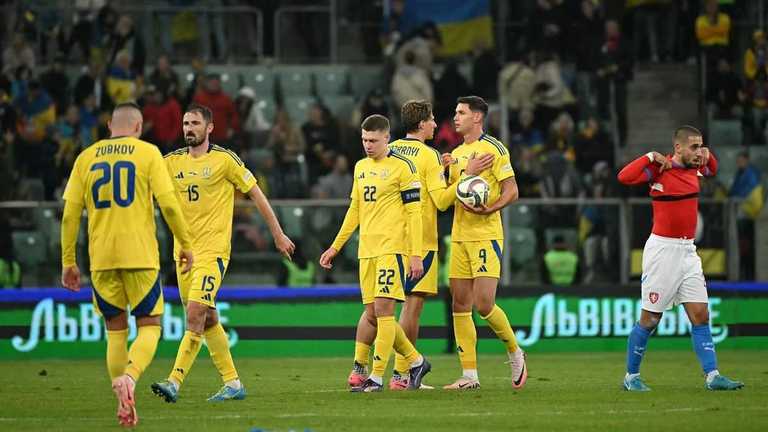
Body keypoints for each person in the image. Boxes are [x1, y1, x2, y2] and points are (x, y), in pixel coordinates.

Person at [60, 103, 194, 427]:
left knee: (115, 332)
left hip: (102, 259)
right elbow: (169, 206)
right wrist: (186, 243)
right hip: (140, 256)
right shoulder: (148, 153)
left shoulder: (85, 158)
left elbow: (69, 215)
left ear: (109, 125)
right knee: (150, 326)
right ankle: (130, 378)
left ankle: (122, 400)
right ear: (138, 127)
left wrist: (68, 261)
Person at [151, 103, 295, 403]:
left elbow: (256, 194)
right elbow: (144, 184)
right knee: (208, 319)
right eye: (186, 123)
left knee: (195, 313)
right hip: (184, 255)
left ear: (210, 128)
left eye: (195, 123)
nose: (189, 128)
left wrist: (278, 234)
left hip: (213, 252)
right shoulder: (170, 162)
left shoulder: (224, 160)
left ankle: (174, 381)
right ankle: (233, 383)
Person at [346, 100, 492, 390]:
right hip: (419, 243)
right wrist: (466, 175)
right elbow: (441, 201)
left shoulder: (390, 149)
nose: (436, 124)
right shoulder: (429, 155)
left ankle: (359, 368)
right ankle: (402, 374)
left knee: (375, 310)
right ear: (422, 123)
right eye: (432, 120)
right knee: (410, 308)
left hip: (385, 240)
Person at [616, 125, 743, 392]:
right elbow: (624, 177)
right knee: (650, 319)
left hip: (688, 251)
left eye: (701, 146)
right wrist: (649, 156)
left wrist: (708, 154)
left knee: (701, 315)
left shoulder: (695, 168)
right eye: (694, 147)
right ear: (678, 147)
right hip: (663, 251)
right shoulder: (659, 169)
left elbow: (713, 169)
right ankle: (631, 376)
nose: (699, 152)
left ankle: (713, 376)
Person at [319, 114, 431, 392]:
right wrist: (335, 246)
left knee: (383, 310)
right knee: (372, 313)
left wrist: (415, 255)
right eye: (364, 140)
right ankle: (416, 361)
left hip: (392, 249)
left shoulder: (403, 167)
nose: (368, 145)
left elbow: (415, 214)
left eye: (373, 140)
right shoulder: (360, 167)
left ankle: (377, 377)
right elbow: (355, 210)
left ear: (387, 138)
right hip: (366, 250)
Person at [441, 96, 527, 390]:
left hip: (485, 235)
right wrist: (448, 172)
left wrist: (491, 208)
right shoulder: (455, 154)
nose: (455, 117)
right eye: (456, 112)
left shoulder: (494, 148)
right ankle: (469, 376)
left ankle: (515, 351)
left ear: (477, 117)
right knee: (459, 304)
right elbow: (452, 193)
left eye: (461, 112)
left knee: (484, 303)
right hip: (459, 235)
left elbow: (512, 190)